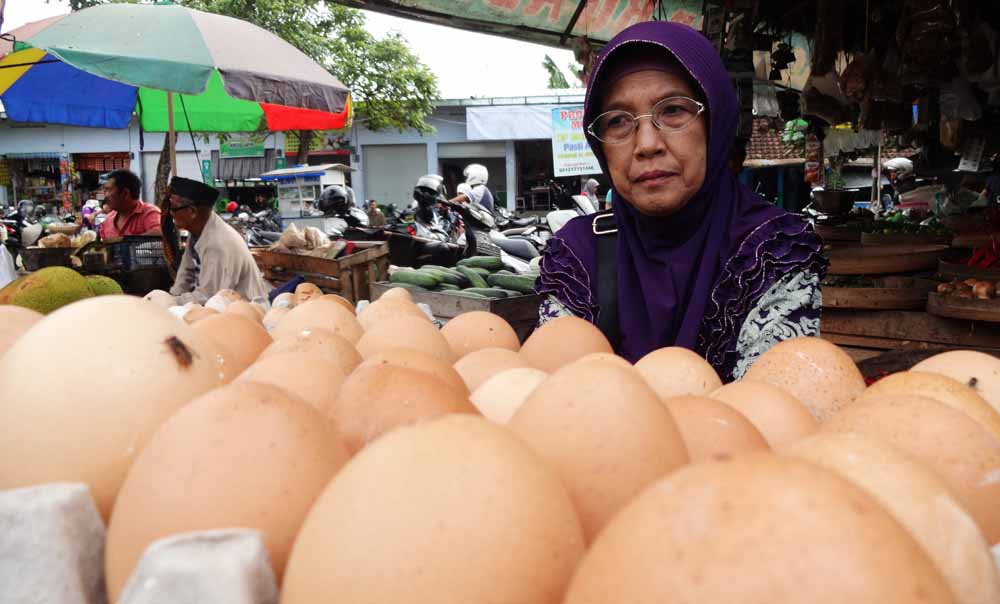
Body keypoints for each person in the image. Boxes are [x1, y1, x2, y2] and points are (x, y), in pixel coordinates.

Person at [535, 21, 827, 382]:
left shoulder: (772, 253)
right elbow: (555, 400)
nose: (646, 144)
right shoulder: (579, 257)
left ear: (714, 122)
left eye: (672, 110)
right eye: (618, 121)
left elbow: (775, 404)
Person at [167, 176, 269, 305]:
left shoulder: (217, 244)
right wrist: (172, 296)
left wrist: (171, 302)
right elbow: (187, 272)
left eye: (174, 208)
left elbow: (207, 296)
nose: (171, 212)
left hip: (247, 309)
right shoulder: (197, 231)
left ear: (192, 212)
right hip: (220, 305)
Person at [98, 169, 162, 239]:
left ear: (125, 193)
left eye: (108, 190)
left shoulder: (149, 213)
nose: (105, 195)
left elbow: (160, 232)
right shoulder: (108, 220)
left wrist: (127, 242)